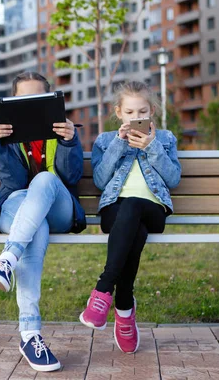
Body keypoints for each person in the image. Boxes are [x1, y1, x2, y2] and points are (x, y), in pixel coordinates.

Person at [0, 72, 86, 372]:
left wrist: (69, 142)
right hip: (15, 208)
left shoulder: (64, 132)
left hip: (58, 206)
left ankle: (7, 258)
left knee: (44, 179)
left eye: (37, 99)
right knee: (34, 226)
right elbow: (13, 182)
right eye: (22, 101)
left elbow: (70, 177)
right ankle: (30, 335)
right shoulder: (3, 136)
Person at [79, 81, 181, 354]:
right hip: (115, 209)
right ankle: (124, 307)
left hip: (153, 210)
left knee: (135, 205)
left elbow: (173, 178)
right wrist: (118, 144)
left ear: (153, 111)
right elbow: (101, 181)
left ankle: (103, 290)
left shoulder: (166, 139)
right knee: (133, 228)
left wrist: (151, 147)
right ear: (119, 113)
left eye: (142, 112)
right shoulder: (105, 141)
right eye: (130, 112)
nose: (136, 118)